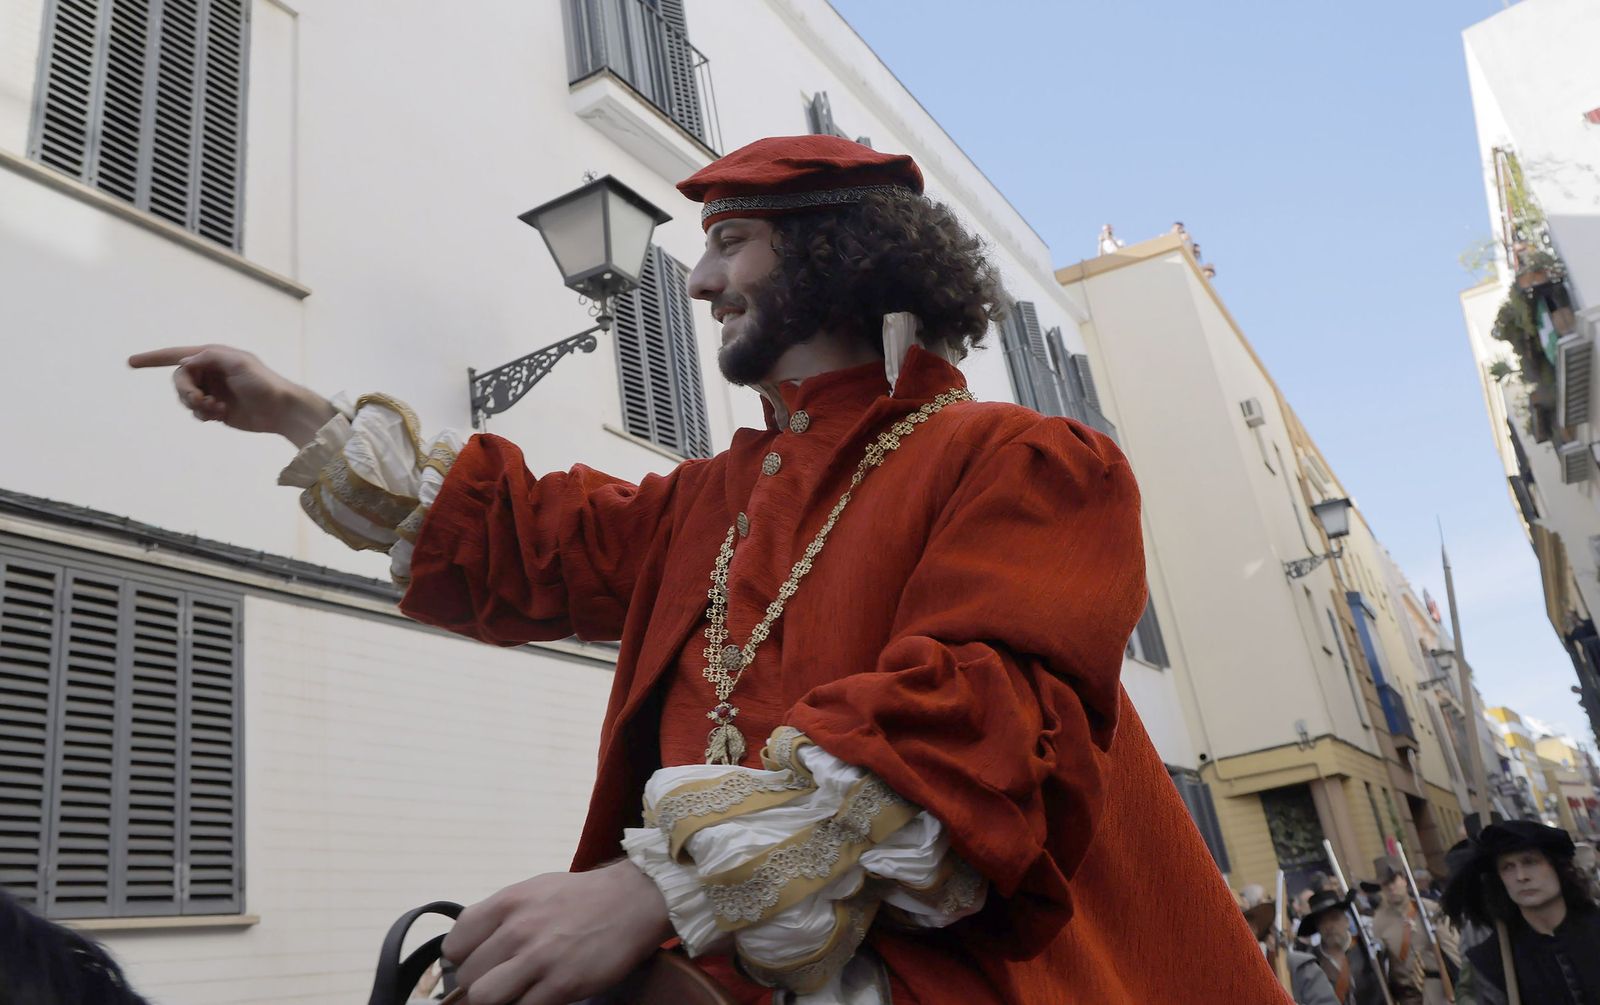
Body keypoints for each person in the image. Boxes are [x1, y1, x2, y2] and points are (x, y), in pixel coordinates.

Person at [129, 135, 1287, 1004]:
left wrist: (652, 892)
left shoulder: (1022, 459)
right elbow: (526, 533)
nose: (696, 284)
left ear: (840, 251)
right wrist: (294, 413)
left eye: (730, 243)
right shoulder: (711, 498)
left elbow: (977, 733)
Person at [1443, 820, 1600, 1004]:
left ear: (1558, 867)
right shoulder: (1491, 962)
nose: (1521, 876)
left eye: (1530, 862)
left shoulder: (1595, 926)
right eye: (1508, 867)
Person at [1371, 857, 1457, 1005]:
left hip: (1439, 989)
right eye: (1386, 884)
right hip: (1407, 996)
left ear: (1404, 880)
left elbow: (1453, 950)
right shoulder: (1379, 922)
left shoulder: (1430, 909)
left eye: (1394, 880)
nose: (1391, 887)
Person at [1298, 888, 1387, 1005]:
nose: (1329, 926)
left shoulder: (1368, 948)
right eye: (1323, 921)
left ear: (1346, 920)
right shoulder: (1311, 964)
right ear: (1317, 927)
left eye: (1334, 918)